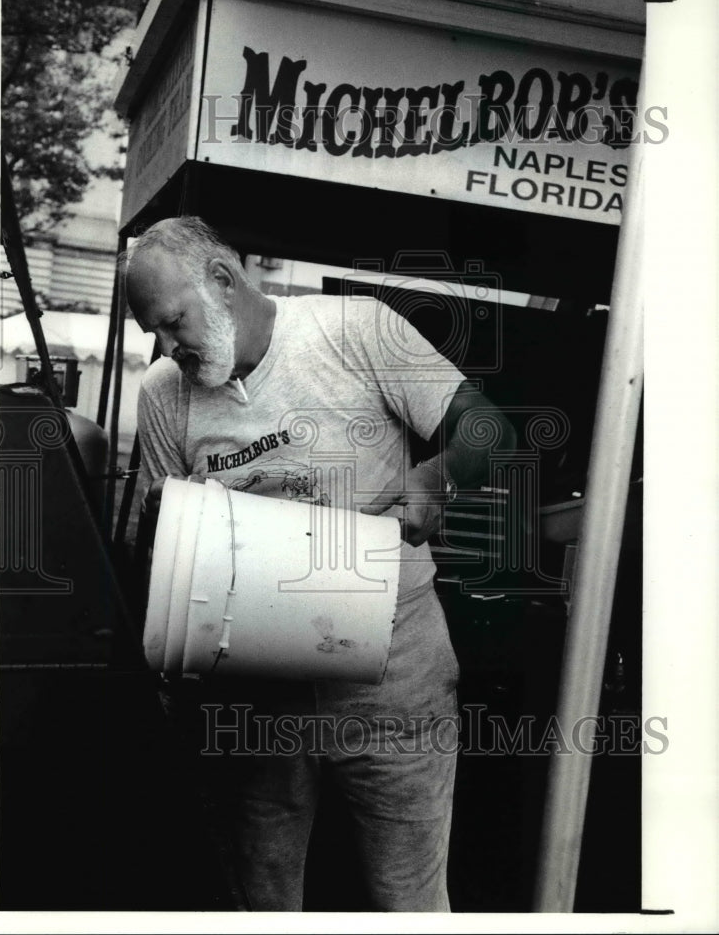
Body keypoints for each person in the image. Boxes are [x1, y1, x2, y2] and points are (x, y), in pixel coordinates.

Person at [124, 215, 515, 912]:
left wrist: (434, 479)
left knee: (409, 898)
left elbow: (486, 426)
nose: (165, 345)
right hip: (250, 682)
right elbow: (155, 550)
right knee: (262, 896)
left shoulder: (357, 330)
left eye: (174, 321)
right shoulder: (162, 394)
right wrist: (172, 531)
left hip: (393, 672)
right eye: (153, 329)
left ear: (222, 279)